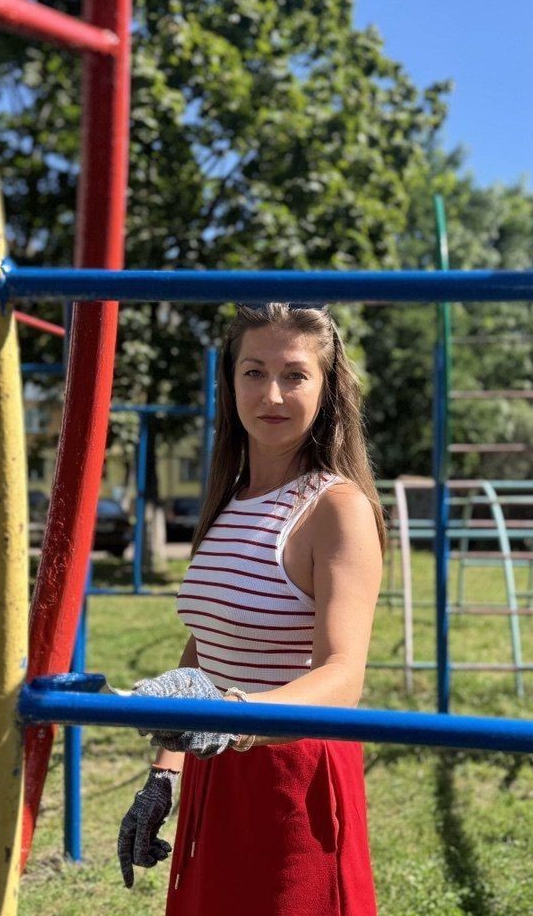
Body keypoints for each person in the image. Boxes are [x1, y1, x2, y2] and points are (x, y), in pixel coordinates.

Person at [117, 303, 386, 915]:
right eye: (253, 372)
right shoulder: (231, 499)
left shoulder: (337, 508)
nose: (272, 394)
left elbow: (343, 677)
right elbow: (207, 646)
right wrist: (165, 773)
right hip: (216, 765)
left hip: (292, 775)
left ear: (326, 388)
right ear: (230, 381)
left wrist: (230, 719)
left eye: (295, 375)